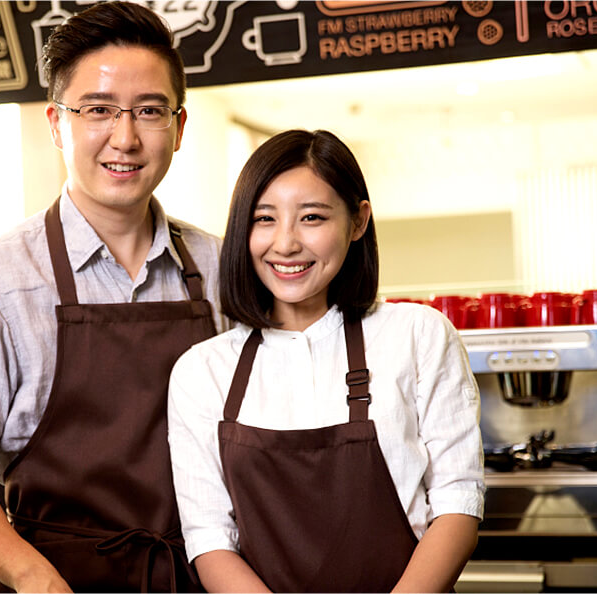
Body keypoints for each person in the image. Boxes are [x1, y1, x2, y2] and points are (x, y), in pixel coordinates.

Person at [0, 3, 229, 592]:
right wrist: (32, 576)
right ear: (57, 124)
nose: (124, 138)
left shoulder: (223, 268)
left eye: (149, 111)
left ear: (179, 128)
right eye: (98, 110)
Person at [167, 129, 484, 592]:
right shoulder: (202, 372)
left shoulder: (418, 335)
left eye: (312, 217)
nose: (286, 243)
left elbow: (458, 502)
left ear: (358, 222)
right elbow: (209, 537)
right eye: (264, 218)